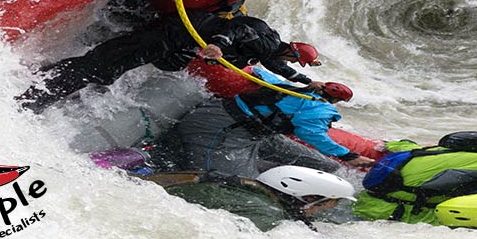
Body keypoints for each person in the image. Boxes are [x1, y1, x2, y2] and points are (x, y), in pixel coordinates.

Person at [16, 10, 324, 112]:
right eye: (298, 64)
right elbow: (236, 29)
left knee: (107, 67)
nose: (292, 66)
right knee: (104, 66)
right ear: (291, 51)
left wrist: (307, 83)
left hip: (177, 43)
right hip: (173, 34)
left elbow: (276, 67)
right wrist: (218, 46)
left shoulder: (271, 52)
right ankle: (34, 93)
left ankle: (41, 83)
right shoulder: (266, 37)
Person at [151, 68, 375, 178]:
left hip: (253, 134)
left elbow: (260, 73)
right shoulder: (319, 108)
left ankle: (274, 173)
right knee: (236, 183)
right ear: (336, 100)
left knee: (325, 165)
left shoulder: (291, 86)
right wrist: (350, 156)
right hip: (220, 131)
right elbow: (312, 134)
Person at [154, 165, 358, 232]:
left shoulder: (245, 186)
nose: (323, 210)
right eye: (329, 204)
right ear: (309, 197)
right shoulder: (267, 214)